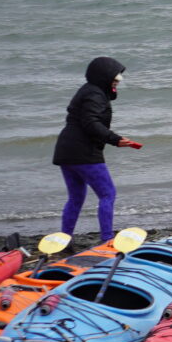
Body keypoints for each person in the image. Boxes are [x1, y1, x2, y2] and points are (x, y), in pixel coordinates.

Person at [52, 57, 141, 244]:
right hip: (84, 152)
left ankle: (65, 239)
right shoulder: (96, 95)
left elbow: (85, 121)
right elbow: (90, 123)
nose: (117, 83)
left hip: (66, 151)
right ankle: (107, 239)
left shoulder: (88, 91)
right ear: (104, 77)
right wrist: (115, 139)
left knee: (76, 198)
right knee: (108, 194)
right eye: (115, 79)